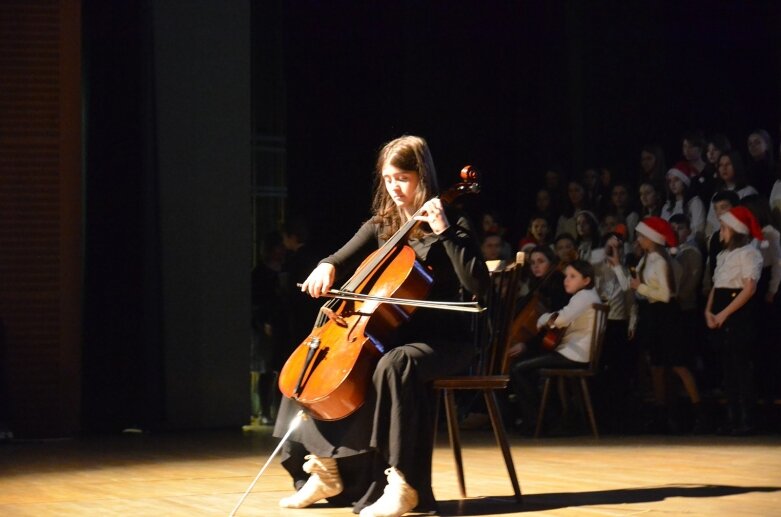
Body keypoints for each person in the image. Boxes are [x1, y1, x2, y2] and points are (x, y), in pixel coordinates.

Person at [273, 135, 489, 517]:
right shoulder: (383, 224)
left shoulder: (451, 220)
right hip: (394, 336)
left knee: (395, 364)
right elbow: (338, 257)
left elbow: (477, 285)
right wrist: (325, 267)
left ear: (422, 176)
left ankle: (405, 484)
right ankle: (326, 469)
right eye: (388, 179)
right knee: (313, 361)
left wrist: (445, 233)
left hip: (445, 340)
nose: (395, 187)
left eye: (402, 178)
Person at [630, 217, 704, 433]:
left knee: (677, 364)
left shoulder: (661, 261)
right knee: (657, 365)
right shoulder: (649, 259)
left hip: (666, 315)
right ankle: (662, 415)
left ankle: (699, 413)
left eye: (641, 236)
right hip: (655, 315)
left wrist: (640, 287)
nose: (638, 240)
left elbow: (665, 295)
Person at [509, 260, 601, 434]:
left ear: (586, 280)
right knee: (527, 368)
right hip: (577, 353)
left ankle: (536, 422)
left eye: (573, 276)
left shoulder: (583, 297)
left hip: (573, 354)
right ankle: (546, 420)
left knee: (518, 368)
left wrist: (542, 318)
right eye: (566, 276)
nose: (567, 280)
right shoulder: (590, 295)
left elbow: (560, 319)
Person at [705, 206, 764, 435]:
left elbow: (749, 288)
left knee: (741, 367)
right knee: (727, 368)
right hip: (721, 308)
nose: (721, 232)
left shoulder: (748, 253)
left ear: (736, 230)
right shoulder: (723, 255)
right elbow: (716, 285)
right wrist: (709, 311)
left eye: (725, 227)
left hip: (738, 312)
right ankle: (731, 416)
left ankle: (746, 418)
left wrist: (724, 313)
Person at [661, 162, 706, 243]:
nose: (672, 184)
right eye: (670, 181)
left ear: (684, 181)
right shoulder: (667, 206)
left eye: (676, 180)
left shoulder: (694, 203)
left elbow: (698, 231)